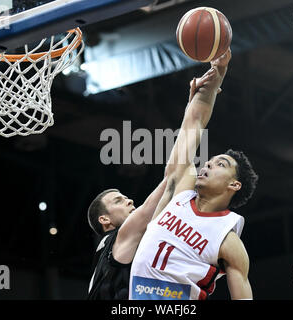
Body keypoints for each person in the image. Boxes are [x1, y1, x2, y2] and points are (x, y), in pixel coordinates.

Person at [129, 49, 259, 300]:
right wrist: (216, 75)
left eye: (220, 164)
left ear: (234, 184)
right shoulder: (178, 191)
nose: (207, 165)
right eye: (208, 161)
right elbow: (194, 124)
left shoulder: (228, 240)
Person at [86, 63, 221, 300]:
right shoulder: (122, 235)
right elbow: (174, 174)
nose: (128, 199)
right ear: (105, 220)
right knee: (180, 171)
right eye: (118, 200)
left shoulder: (121, 252)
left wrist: (197, 101)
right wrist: (199, 97)